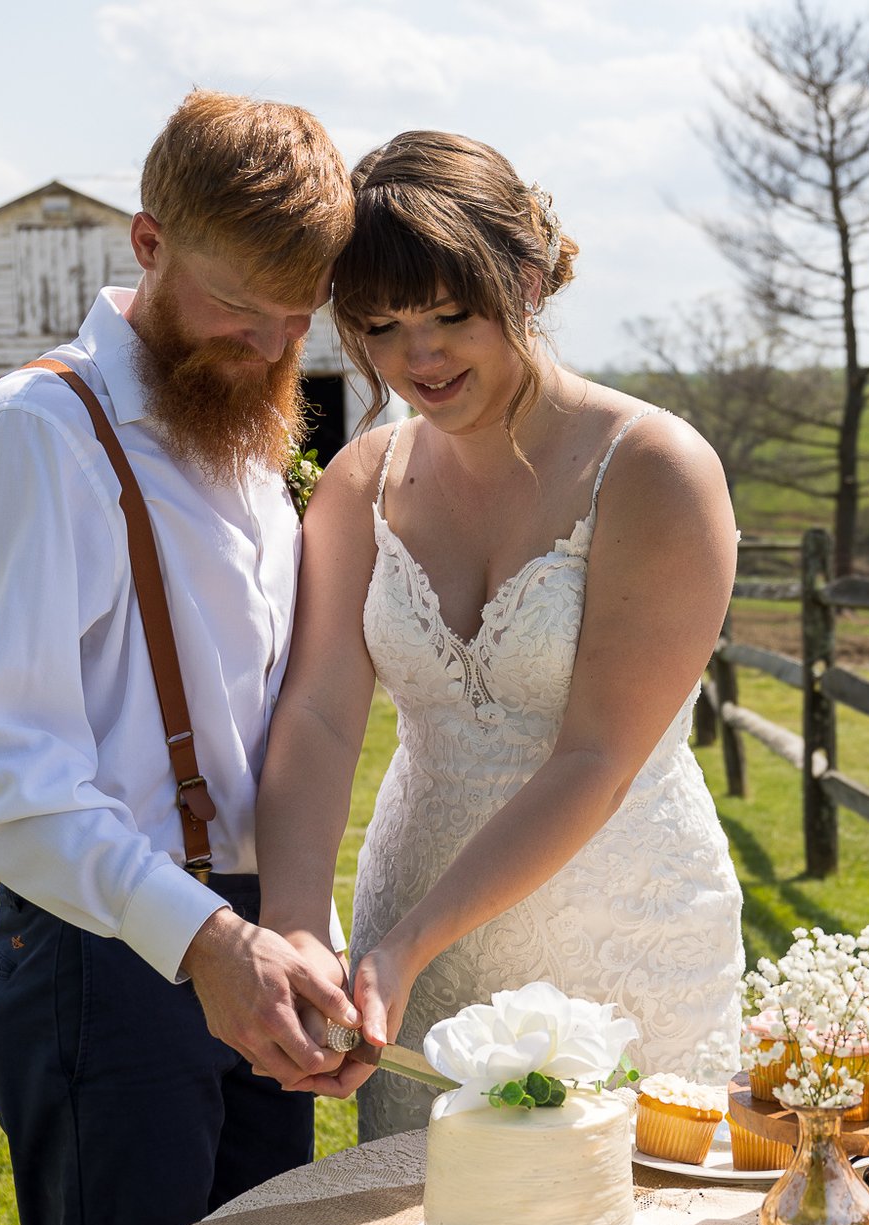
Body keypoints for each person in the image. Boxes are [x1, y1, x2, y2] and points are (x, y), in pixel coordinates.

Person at [0, 91, 359, 1225]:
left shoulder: (238, 424)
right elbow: (7, 779)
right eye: (240, 303)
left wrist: (296, 927)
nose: (269, 343)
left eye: (297, 316)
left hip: (249, 940)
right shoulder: (38, 433)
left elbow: (267, 722)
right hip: (103, 955)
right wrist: (206, 943)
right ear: (147, 241)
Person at [255, 130, 746, 1140]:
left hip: (622, 928)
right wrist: (301, 924)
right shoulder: (359, 481)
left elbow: (597, 757)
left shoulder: (653, 468)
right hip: (412, 941)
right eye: (381, 327)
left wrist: (407, 946)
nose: (417, 356)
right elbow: (312, 716)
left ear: (523, 280)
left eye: (449, 314)